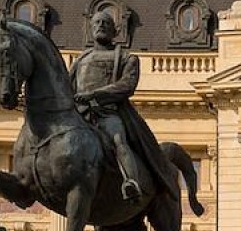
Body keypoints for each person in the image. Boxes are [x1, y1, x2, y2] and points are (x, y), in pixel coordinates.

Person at [69, 11, 173, 202]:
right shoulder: (81, 60)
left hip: (107, 114)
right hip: (80, 116)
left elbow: (126, 86)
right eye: (97, 22)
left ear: (115, 31)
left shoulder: (126, 59)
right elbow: (66, 89)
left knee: (119, 141)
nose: (100, 25)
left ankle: (130, 182)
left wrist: (95, 94)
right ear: (90, 29)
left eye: (105, 23)